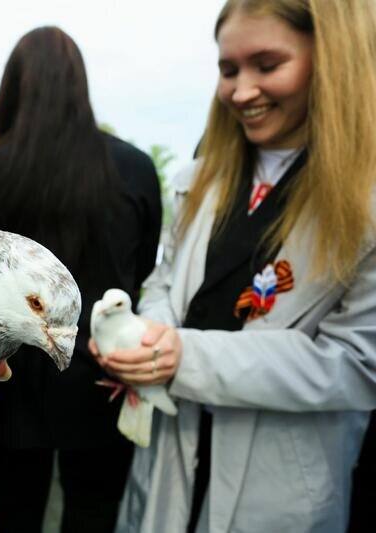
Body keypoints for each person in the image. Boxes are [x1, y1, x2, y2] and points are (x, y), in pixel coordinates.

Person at [96, 1, 376, 531]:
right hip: (171, 460)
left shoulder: (364, 204)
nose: (242, 92)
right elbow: (164, 283)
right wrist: (138, 338)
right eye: (229, 70)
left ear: (335, 62)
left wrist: (184, 358)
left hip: (279, 485)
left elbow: (358, 362)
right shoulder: (196, 180)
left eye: (267, 66)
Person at [0, 26, 162, 533]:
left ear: (12, 89)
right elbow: (138, 275)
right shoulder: (135, 169)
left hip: (11, 383)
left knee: (15, 517)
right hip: (104, 375)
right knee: (94, 516)